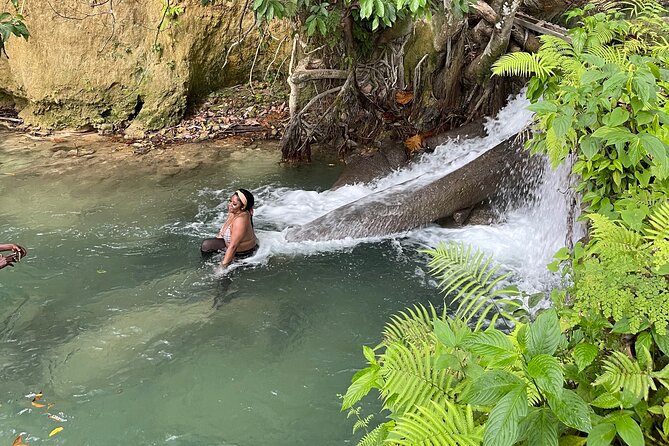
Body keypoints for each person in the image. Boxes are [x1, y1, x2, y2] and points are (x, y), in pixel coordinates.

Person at [200, 188, 258, 268]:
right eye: (230, 201)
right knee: (206, 245)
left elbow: (233, 246)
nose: (230, 205)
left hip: (242, 253)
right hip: (228, 247)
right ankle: (204, 266)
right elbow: (223, 232)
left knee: (221, 274)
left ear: (243, 207)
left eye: (234, 204)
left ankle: (224, 277)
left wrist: (222, 267)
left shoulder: (240, 220)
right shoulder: (233, 211)